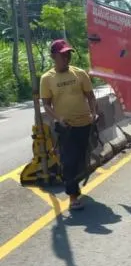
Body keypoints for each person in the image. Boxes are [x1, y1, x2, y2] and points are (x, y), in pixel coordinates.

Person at [40, 39, 98, 211]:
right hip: (66, 128)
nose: (66, 58)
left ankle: (75, 186)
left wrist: (94, 113)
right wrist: (59, 119)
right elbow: (46, 105)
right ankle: (73, 197)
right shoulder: (47, 79)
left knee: (81, 157)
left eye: (68, 54)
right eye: (62, 55)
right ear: (53, 57)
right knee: (69, 161)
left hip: (85, 124)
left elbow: (91, 96)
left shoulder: (80, 73)